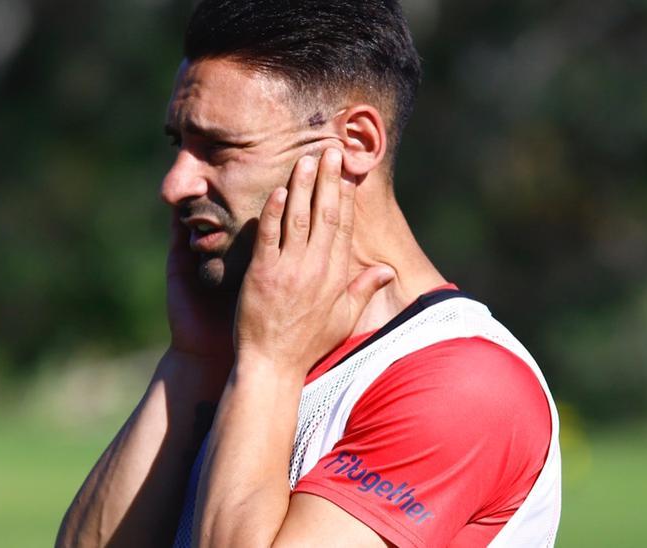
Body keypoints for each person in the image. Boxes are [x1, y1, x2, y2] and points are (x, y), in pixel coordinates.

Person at [58, 1, 561, 547]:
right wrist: (193, 358)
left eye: (219, 148)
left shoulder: (463, 383)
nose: (175, 184)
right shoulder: (236, 354)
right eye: (179, 146)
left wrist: (270, 365)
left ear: (356, 142)